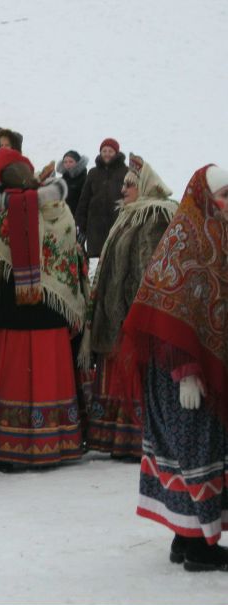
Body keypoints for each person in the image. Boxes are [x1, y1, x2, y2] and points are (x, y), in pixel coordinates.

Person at [120, 165, 228, 572]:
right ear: (203, 196)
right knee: (192, 451)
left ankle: (188, 537)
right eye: (225, 195)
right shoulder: (187, 238)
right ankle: (196, 545)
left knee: (200, 450)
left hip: (198, 367)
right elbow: (169, 303)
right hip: (180, 372)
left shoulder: (216, 234)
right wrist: (186, 370)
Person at [0, 148, 88, 470]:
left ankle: (10, 443)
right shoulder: (60, 211)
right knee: (47, 373)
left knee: (14, 374)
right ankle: (56, 441)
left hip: (14, 311)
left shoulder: (3, 215)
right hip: (52, 310)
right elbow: (69, 254)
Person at [86, 154, 177, 460]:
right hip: (117, 312)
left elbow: (149, 268)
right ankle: (116, 439)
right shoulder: (129, 214)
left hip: (133, 315)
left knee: (135, 375)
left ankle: (136, 439)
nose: (123, 190)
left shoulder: (155, 216)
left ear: (146, 186)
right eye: (123, 183)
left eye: (130, 184)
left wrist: (136, 311)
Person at [75, 138, 129, 257]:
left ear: (116, 152)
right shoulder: (93, 172)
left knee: (118, 256)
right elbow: (84, 199)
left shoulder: (126, 172)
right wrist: (81, 223)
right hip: (95, 225)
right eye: (104, 151)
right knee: (100, 259)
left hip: (118, 222)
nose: (107, 154)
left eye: (110, 151)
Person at [56, 151, 89, 216]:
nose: (68, 164)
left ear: (78, 163)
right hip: (63, 216)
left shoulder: (85, 179)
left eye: (71, 161)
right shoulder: (61, 180)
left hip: (78, 216)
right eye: (65, 162)